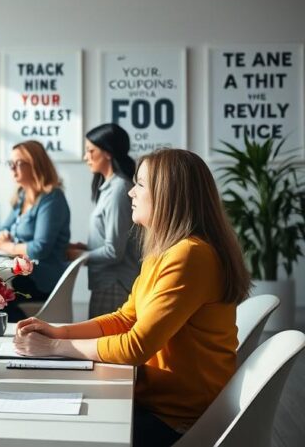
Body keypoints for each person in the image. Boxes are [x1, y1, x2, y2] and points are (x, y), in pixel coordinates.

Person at [13, 149, 251, 447]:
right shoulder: (167, 252)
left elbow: (135, 347)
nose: (130, 192)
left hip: (175, 422)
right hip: (156, 404)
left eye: (140, 184)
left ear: (167, 194)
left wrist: (54, 346)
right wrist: (58, 330)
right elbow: (126, 318)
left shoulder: (190, 255)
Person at [66, 124, 141, 318]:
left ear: (108, 152)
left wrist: (80, 255)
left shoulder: (118, 191)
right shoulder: (108, 188)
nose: (86, 157)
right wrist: (86, 248)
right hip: (106, 284)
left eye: (91, 151)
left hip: (115, 285)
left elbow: (114, 251)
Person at [0, 140, 71, 322]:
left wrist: (9, 246)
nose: (13, 169)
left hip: (42, 282)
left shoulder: (52, 198)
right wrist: (1, 236)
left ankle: (23, 333)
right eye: (10, 163)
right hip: (24, 277)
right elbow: (0, 229)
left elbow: (39, 248)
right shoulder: (22, 196)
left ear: (36, 164)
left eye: (19, 163)